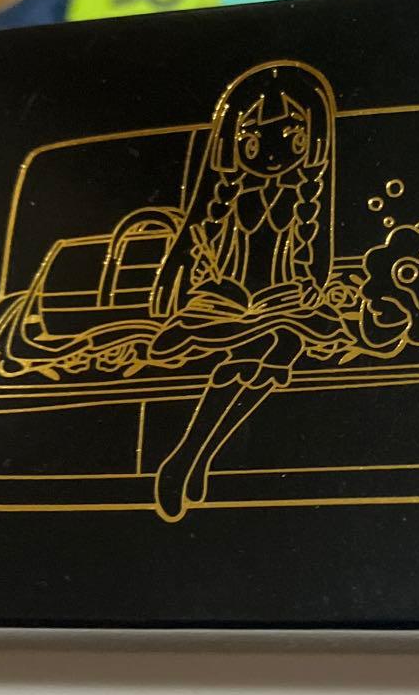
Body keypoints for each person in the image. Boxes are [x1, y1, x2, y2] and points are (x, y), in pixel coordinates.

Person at [146, 61, 351, 521]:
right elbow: (196, 245)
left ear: (311, 141)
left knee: (282, 339)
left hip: (279, 303)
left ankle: (189, 456)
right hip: (223, 303)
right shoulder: (229, 196)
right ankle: (188, 458)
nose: (272, 154)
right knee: (277, 342)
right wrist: (189, 276)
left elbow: (312, 264)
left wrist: (307, 290)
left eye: (291, 140)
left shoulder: (304, 197)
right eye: (254, 142)